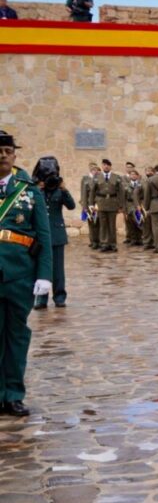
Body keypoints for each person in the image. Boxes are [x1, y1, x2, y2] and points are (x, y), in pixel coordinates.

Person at [0, 130, 52, 417]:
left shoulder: (29, 190)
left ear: (14, 155)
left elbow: (43, 235)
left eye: (8, 151)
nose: (3, 156)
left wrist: (45, 275)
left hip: (20, 273)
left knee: (17, 335)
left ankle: (13, 394)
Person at [33, 164, 75, 308]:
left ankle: (59, 297)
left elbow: (71, 206)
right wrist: (37, 188)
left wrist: (65, 189)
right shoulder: (38, 191)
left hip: (57, 234)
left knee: (58, 269)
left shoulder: (60, 191)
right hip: (40, 235)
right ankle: (41, 298)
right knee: (41, 267)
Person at [88, 158, 123, 252]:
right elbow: (92, 191)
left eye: (108, 165)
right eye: (104, 165)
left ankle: (113, 244)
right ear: (102, 166)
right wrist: (91, 204)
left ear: (110, 166)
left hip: (112, 202)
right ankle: (104, 243)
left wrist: (121, 205)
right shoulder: (97, 177)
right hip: (101, 203)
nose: (106, 166)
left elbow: (121, 192)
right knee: (103, 225)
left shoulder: (117, 177)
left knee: (112, 224)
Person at [79, 163, 100, 249]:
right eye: (93, 169)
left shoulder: (99, 178)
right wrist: (84, 206)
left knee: (98, 223)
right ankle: (93, 241)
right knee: (91, 223)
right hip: (89, 204)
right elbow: (83, 193)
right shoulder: (85, 179)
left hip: (98, 204)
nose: (95, 171)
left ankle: (99, 241)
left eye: (96, 169)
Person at [123, 169, 144, 246]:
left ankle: (140, 239)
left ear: (137, 176)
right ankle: (133, 239)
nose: (133, 176)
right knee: (130, 223)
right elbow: (124, 197)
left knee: (139, 221)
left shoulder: (141, 185)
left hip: (139, 204)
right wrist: (124, 208)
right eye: (131, 174)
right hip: (129, 204)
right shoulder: (126, 186)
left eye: (135, 174)